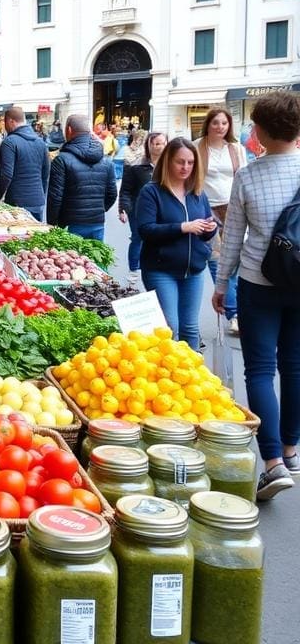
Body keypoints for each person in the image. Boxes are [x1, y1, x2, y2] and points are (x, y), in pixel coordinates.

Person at [212, 91, 300, 500]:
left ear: (261, 132)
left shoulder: (248, 175)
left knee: (260, 370)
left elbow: (231, 239)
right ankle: (290, 448)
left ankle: (272, 463)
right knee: (295, 367)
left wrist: (221, 284)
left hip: (257, 283)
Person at [135, 137, 217, 351]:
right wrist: (182, 227)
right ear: (168, 161)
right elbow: (145, 230)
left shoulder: (198, 193)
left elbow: (205, 229)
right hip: (161, 269)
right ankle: (168, 374)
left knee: (190, 326)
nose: (185, 167)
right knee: (170, 326)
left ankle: (193, 377)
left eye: (190, 163)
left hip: (194, 269)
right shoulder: (151, 192)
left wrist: (210, 229)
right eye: (180, 162)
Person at [198, 108, 248, 334]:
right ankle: (233, 312)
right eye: (216, 123)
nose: (220, 127)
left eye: (224, 124)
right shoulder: (198, 146)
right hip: (207, 209)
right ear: (208, 124)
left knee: (235, 258)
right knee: (216, 259)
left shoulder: (236, 148)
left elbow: (244, 176)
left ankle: (236, 311)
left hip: (234, 208)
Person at [46, 114, 118, 239]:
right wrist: (97, 210)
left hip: (69, 224)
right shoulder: (106, 160)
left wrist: (51, 223)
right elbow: (112, 194)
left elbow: (55, 197)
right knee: (94, 258)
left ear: (69, 130)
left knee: (70, 258)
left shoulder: (62, 160)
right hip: (97, 223)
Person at [118, 132, 167, 285]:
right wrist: (123, 208)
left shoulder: (172, 165)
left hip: (163, 209)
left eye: (162, 143)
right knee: (138, 238)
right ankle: (134, 270)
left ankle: (157, 267)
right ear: (149, 145)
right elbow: (126, 190)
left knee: (160, 238)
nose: (159, 147)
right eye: (156, 143)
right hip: (138, 209)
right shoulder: (136, 165)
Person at [0, 106, 50, 220]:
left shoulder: (9, 142)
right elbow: (45, 174)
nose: (5, 126)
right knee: (35, 236)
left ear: (10, 121)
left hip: (17, 202)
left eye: (5, 123)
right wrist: (40, 195)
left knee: (18, 236)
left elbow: (6, 175)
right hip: (37, 202)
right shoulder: (40, 142)